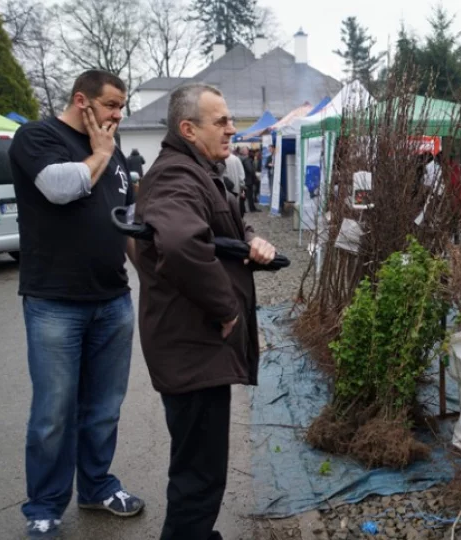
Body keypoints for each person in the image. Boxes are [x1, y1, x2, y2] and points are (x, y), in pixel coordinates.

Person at [133, 83, 277, 540]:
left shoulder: (199, 170)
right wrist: (225, 307)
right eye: (222, 121)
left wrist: (250, 237)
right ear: (188, 129)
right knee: (199, 474)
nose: (233, 129)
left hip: (194, 349)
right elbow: (179, 243)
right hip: (193, 349)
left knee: (199, 464)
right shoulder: (178, 175)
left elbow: (218, 220)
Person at [8, 69, 144, 539]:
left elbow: (125, 221)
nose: (117, 115)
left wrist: (152, 280)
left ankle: (96, 486)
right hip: (54, 303)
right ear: (82, 101)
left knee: (104, 407)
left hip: (112, 301)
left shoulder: (117, 150)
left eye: (121, 107)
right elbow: (59, 187)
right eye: (111, 105)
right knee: (53, 414)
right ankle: (43, 507)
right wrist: (101, 153)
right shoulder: (36, 136)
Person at [224, 149, 246, 216]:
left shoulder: (218, 158)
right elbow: (241, 175)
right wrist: (242, 188)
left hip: (224, 189)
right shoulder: (236, 159)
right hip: (235, 189)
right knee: (235, 207)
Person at [240, 147, 258, 212]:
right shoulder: (246, 159)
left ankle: (243, 208)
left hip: (244, 179)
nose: (248, 151)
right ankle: (252, 208)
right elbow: (250, 170)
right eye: (247, 150)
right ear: (245, 152)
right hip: (248, 180)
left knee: (244, 195)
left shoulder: (240, 158)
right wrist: (254, 175)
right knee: (250, 195)